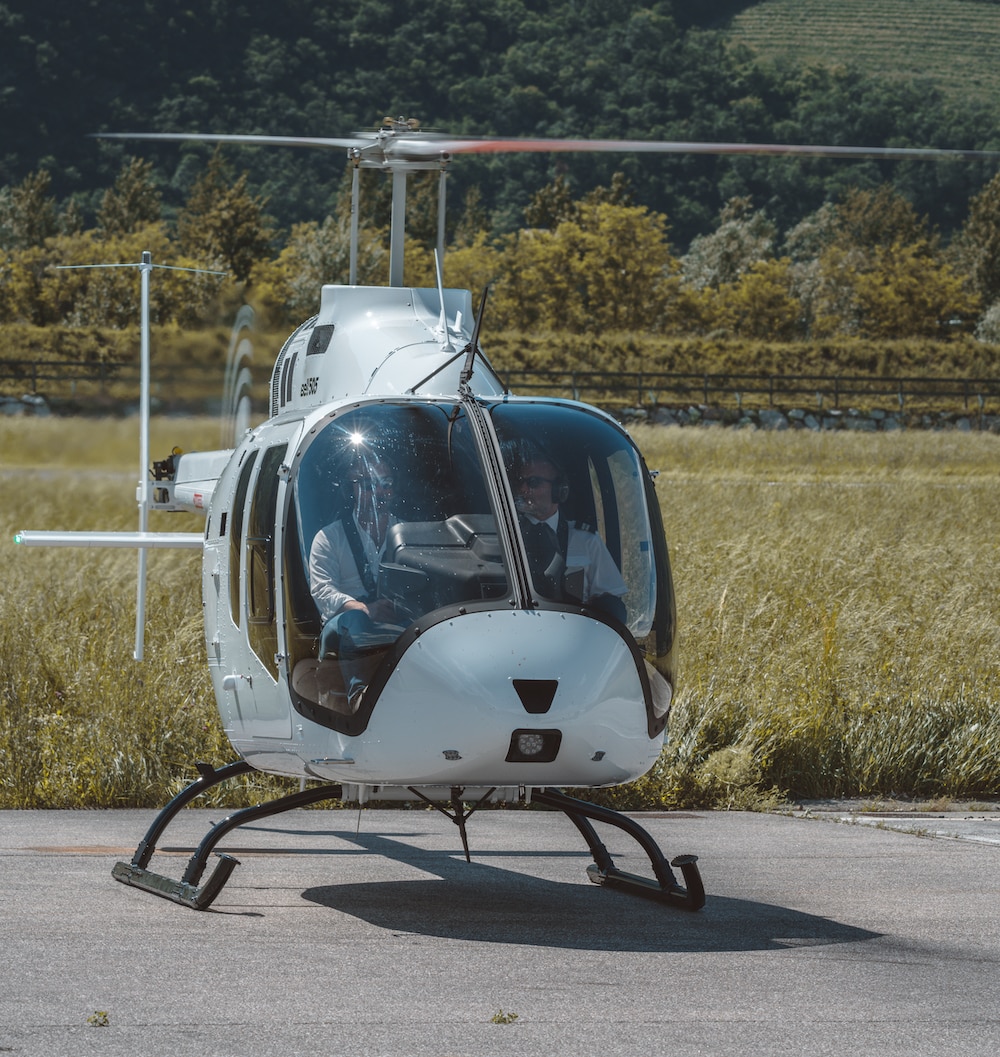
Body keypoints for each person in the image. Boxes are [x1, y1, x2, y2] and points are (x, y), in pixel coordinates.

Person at [308, 458, 400, 710]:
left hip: (396, 619)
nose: (379, 492)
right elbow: (322, 591)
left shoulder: (407, 533)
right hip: (344, 623)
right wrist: (364, 609)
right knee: (356, 621)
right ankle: (362, 698)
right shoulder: (329, 538)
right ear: (351, 489)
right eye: (369, 485)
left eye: (386, 483)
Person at [512, 452, 628, 621]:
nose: (523, 489)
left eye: (533, 482)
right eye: (519, 482)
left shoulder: (587, 541)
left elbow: (612, 604)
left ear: (559, 490)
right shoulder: (504, 538)